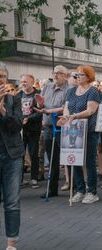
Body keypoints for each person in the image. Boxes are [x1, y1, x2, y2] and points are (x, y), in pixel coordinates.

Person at [58, 65, 101, 204]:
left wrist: (74, 116)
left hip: (89, 130)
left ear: (88, 77)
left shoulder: (93, 91)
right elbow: (66, 108)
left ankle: (92, 191)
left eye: (81, 74)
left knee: (89, 161)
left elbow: (90, 111)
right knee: (74, 159)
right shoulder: (71, 91)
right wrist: (66, 117)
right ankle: (80, 190)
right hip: (73, 129)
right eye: (76, 74)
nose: (77, 76)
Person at [0, 62, 24, 250]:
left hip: (12, 155)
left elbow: (17, 126)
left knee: (12, 201)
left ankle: (11, 243)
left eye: (2, 76)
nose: (0, 79)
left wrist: (3, 111)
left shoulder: (13, 98)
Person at [37, 65, 69, 198]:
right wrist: (40, 104)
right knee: (52, 159)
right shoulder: (47, 87)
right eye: (54, 73)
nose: (55, 75)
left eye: (59, 73)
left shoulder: (69, 89)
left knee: (68, 158)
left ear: (65, 76)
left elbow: (66, 107)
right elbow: (42, 105)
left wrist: (50, 111)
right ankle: (52, 189)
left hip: (63, 127)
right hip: (49, 127)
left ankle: (76, 187)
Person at [18, 74, 43, 189]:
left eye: (26, 81)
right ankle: (19, 178)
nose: (23, 83)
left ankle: (34, 178)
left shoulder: (38, 94)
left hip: (33, 128)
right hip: (20, 129)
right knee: (20, 154)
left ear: (32, 82)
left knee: (33, 153)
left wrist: (29, 118)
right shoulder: (18, 95)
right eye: (22, 81)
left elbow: (40, 112)